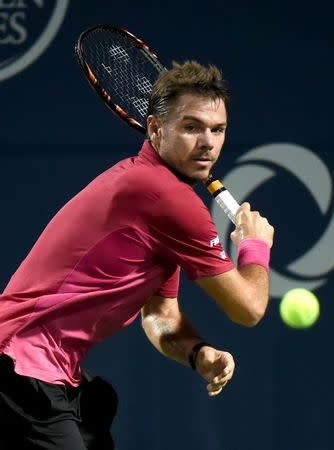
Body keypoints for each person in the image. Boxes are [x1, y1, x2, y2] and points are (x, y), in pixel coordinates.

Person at [0, 60, 274, 449]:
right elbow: (248, 308)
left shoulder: (157, 190)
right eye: (192, 127)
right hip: (17, 366)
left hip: (44, 371)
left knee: (98, 405)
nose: (208, 143)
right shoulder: (163, 197)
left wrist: (199, 354)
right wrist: (254, 245)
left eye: (218, 130)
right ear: (155, 129)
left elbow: (161, 315)